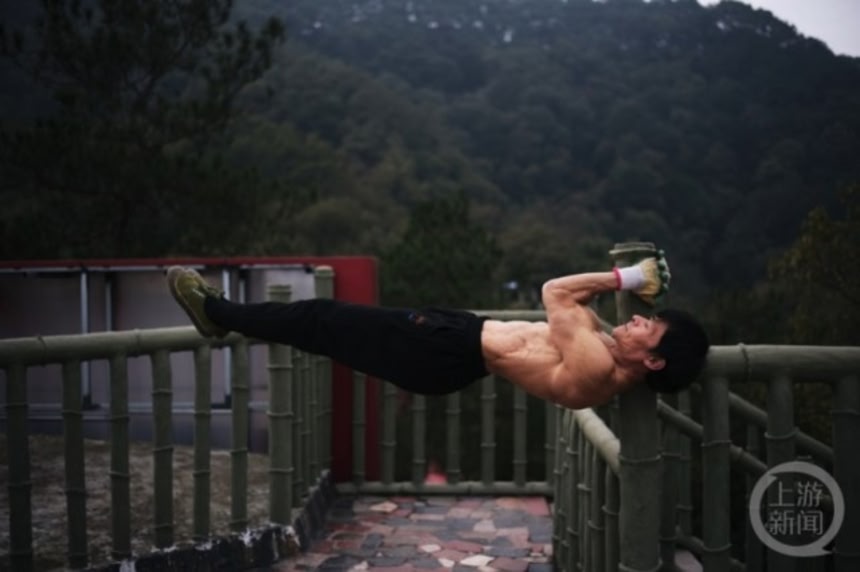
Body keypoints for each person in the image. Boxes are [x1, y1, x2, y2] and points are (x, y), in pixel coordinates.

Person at [166, 255, 708, 410]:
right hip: (455, 343)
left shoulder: (595, 366)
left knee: (320, 319)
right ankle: (222, 313)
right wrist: (620, 304)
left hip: (445, 349)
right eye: (646, 314)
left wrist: (628, 278)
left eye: (650, 326)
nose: (638, 319)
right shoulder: (606, 357)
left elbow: (557, 293)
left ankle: (216, 312)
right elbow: (578, 311)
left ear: (654, 362)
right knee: (323, 327)